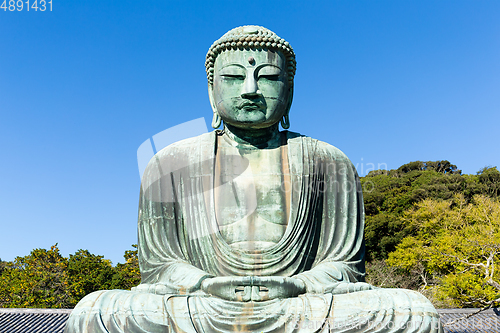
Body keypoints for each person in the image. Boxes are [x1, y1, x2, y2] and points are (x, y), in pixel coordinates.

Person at [65, 25, 442, 333]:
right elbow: (159, 267)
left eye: (267, 77)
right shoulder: (170, 163)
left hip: (300, 305)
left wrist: (297, 284)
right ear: (212, 92)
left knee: (413, 312)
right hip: (204, 305)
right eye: (233, 77)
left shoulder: (329, 161)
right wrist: (204, 284)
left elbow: (345, 265)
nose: (249, 88)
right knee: (94, 312)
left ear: (289, 91)